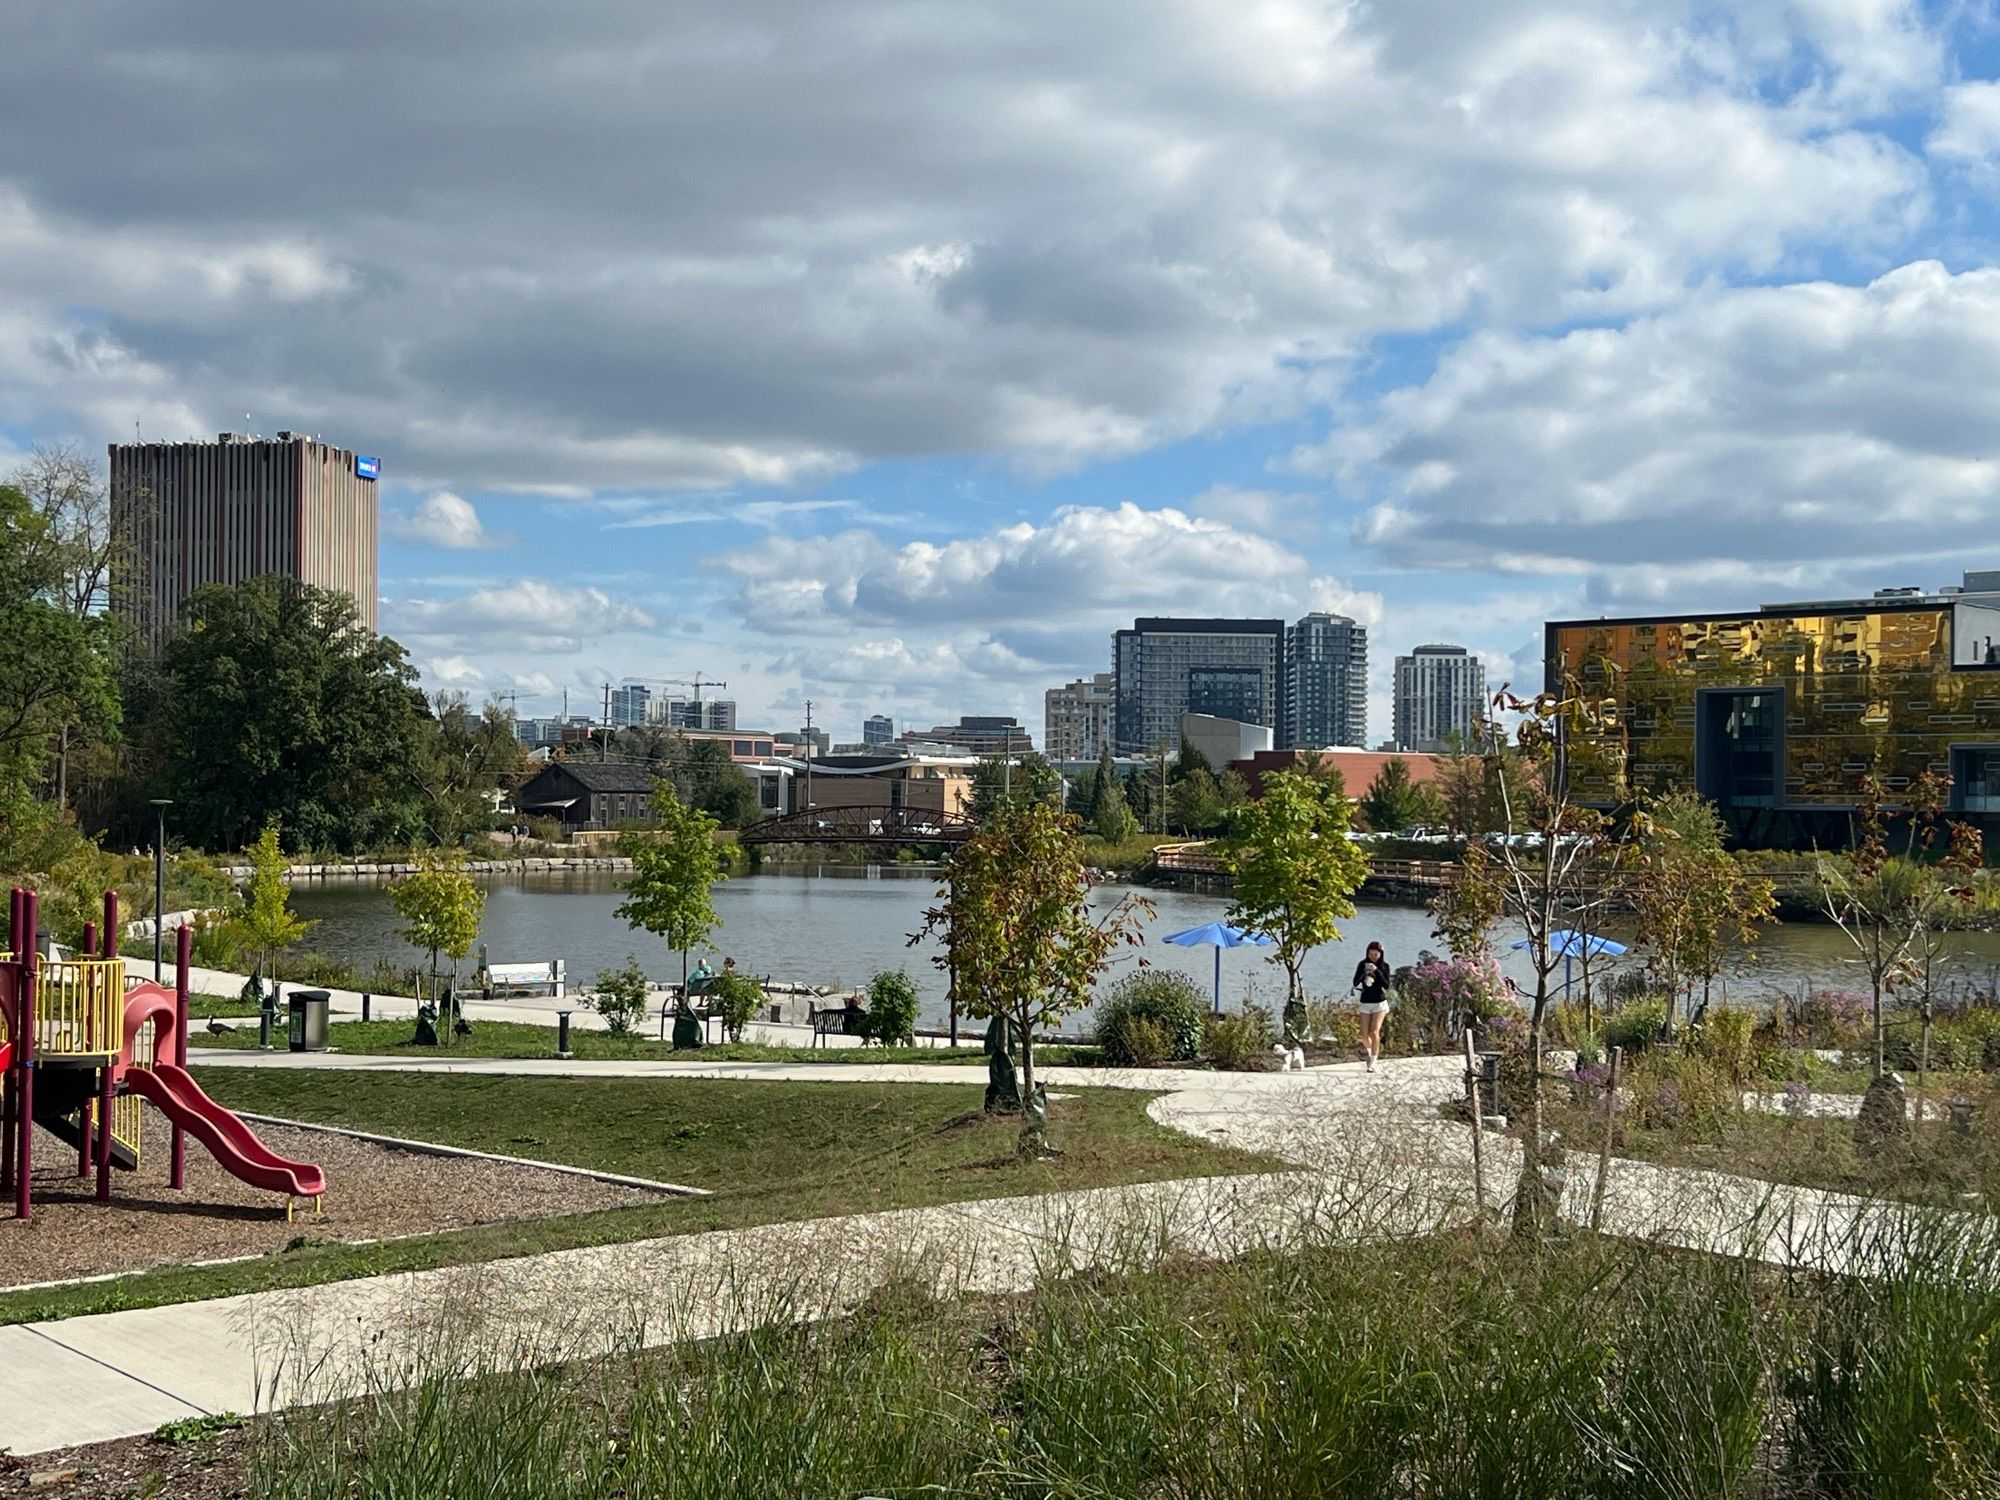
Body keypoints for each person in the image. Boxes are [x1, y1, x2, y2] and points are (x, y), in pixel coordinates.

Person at [1350, 941, 1392, 1072]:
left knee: (1374, 1032)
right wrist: (1365, 971)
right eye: (1371, 954)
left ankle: (1373, 1062)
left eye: (1376, 954)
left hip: (1379, 1002)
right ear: (1367, 953)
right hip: (1365, 1002)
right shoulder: (1362, 964)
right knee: (1364, 1035)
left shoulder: (1384, 966)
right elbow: (1355, 982)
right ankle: (1370, 1052)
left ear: (1380, 954)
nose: (1373, 957)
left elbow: (1386, 985)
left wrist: (1376, 971)